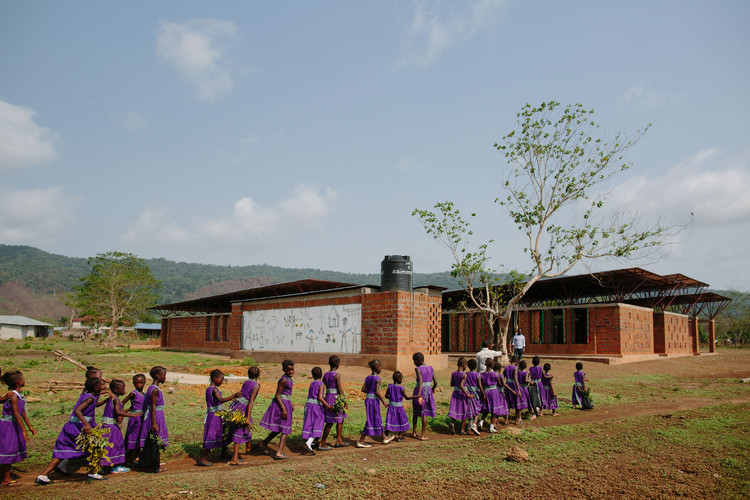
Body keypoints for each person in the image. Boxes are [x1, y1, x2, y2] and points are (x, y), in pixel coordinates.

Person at [36, 376, 107, 484]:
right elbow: (78, 410)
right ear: (97, 387)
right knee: (95, 447)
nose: (103, 386)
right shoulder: (90, 398)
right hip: (78, 428)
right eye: (101, 385)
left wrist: (106, 394)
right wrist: (86, 424)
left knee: (64, 451)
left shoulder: (86, 394)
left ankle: (43, 476)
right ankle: (93, 473)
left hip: (71, 426)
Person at [0, 371, 35, 487]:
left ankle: (4, 475)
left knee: (9, 449)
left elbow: (23, 413)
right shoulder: (13, 397)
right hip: (8, 426)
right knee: (8, 451)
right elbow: (16, 414)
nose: (24, 380)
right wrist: (23, 430)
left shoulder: (19, 396)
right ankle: (6, 480)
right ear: (18, 382)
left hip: (13, 426)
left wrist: (30, 426)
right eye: (23, 378)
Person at [198, 369, 240, 466]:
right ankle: (203, 458)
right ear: (215, 378)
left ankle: (223, 452)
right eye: (221, 380)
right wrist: (234, 396)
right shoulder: (214, 390)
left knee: (221, 433)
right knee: (212, 435)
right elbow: (220, 400)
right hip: (214, 416)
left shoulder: (209, 389)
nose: (221, 382)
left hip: (214, 415)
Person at [100, 379, 141, 474]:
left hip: (105, 426)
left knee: (106, 446)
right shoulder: (116, 400)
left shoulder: (111, 398)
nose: (124, 391)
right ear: (115, 389)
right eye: (122, 388)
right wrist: (133, 415)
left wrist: (129, 409)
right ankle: (116, 466)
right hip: (112, 428)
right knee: (117, 445)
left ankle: (103, 466)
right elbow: (118, 412)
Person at [259, 359, 295, 460]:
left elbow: (287, 394)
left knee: (281, 428)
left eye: (292, 370)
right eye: (288, 370)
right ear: (283, 370)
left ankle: (264, 443)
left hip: (286, 404)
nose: (291, 372)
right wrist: (283, 408)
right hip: (281, 405)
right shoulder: (283, 380)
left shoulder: (289, 379)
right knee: (285, 429)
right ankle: (279, 452)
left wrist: (290, 404)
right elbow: (278, 394)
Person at [139, 366, 169, 472]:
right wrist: (154, 423)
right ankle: (154, 466)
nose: (165, 378)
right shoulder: (155, 390)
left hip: (156, 415)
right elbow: (153, 407)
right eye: (164, 375)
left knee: (154, 441)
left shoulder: (152, 388)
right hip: (156, 416)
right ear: (157, 376)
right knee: (155, 441)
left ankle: (154, 464)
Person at [229, 366, 261, 465]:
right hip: (243, 408)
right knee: (239, 430)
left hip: (236, 405)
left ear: (248, 375)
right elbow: (251, 401)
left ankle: (248, 447)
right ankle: (235, 458)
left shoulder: (246, 382)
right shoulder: (256, 385)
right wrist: (247, 417)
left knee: (236, 428)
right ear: (259, 375)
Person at [358, 359, 389, 448]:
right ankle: (361, 440)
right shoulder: (378, 379)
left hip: (368, 400)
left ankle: (384, 437)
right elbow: (377, 391)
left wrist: (370, 392)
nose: (381, 369)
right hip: (374, 401)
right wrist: (384, 402)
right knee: (373, 418)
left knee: (375, 417)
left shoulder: (368, 378)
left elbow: (363, 389)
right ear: (377, 368)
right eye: (381, 367)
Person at [301, 367, 332, 455]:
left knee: (309, 422)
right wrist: (328, 406)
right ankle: (309, 442)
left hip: (308, 405)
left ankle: (309, 440)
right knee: (318, 423)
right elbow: (320, 397)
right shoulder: (321, 384)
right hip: (316, 406)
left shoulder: (312, 383)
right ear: (321, 374)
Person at [319, 355, 347, 450]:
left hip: (328, 397)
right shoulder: (337, 375)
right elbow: (339, 389)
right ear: (338, 364)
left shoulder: (326, 374)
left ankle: (338, 440)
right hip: (336, 398)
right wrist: (344, 400)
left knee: (334, 420)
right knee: (338, 419)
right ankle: (323, 442)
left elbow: (322, 387)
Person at [384, 371, 418, 442]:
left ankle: (386, 434)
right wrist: (416, 396)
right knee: (400, 420)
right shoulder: (401, 388)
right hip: (399, 408)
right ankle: (400, 436)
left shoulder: (389, 386)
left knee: (390, 420)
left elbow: (386, 396)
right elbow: (407, 398)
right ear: (399, 379)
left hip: (391, 407)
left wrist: (391, 399)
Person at [122, 373, 146, 466]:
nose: (139, 385)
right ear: (133, 383)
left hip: (143, 419)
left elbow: (133, 406)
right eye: (136, 383)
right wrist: (122, 413)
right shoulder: (133, 393)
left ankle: (137, 458)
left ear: (144, 382)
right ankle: (127, 459)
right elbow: (122, 402)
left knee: (140, 438)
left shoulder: (145, 394)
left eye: (141, 383)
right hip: (135, 420)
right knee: (134, 438)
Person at [411, 352, 437, 441]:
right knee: (424, 413)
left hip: (419, 391)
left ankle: (414, 432)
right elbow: (436, 382)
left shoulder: (418, 369)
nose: (414, 363)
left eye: (414, 361)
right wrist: (432, 388)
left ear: (419, 360)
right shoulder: (431, 368)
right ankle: (422, 434)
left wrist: (418, 395)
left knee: (415, 412)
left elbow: (420, 381)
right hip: (428, 391)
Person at [447, 357, 473, 435]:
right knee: (464, 411)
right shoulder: (464, 375)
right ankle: (462, 430)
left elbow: (452, 384)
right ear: (463, 365)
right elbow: (461, 385)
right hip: (463, 394)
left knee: (456, 409)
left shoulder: (453, 373)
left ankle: (452, 422)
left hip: (455, 393)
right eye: (465, 365)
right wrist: (467, 394)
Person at [465, 359, 485, 435]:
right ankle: (474, 424)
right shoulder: (478, 375)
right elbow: (480, 385)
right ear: (476, 366)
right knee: (477, 410)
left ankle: (469, 426)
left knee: (470, 409)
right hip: (476, 394)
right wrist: (483, 394)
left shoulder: (466, 374)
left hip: (468, 393)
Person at [503, 356, 522, 425]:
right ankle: (516, 420)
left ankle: (506, 420)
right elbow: (515, 378)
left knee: (508, 403)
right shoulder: (515, 368)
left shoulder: (506, 368)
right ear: (516, 362)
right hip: (514, 386)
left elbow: (503, 377)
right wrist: (518, 389)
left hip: (507, 385)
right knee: (517, 403)